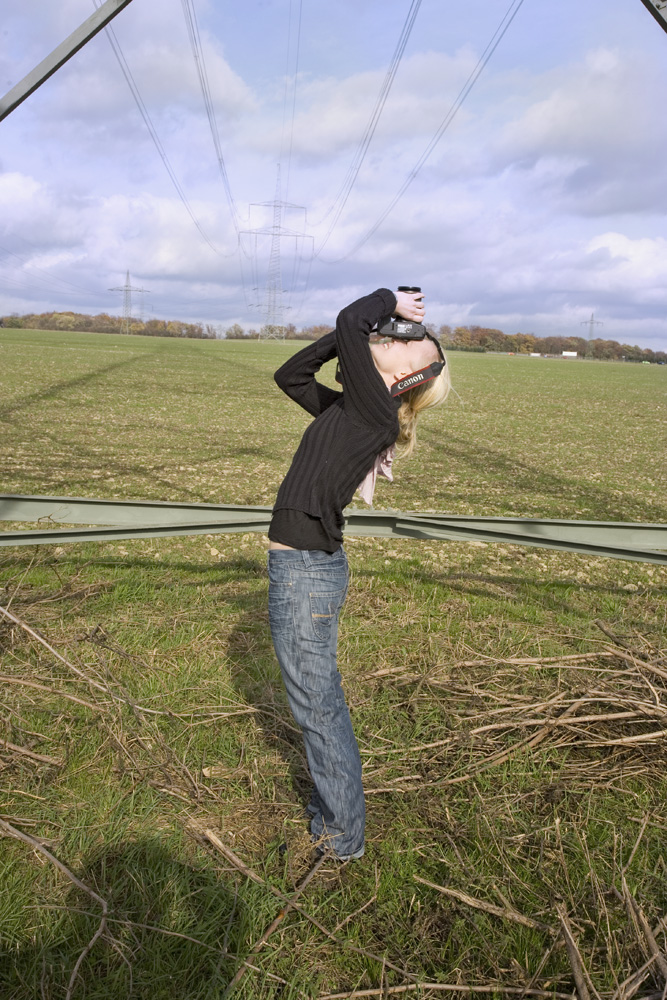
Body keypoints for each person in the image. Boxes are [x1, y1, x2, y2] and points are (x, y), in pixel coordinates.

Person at [267, 287, 450, 860]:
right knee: (316, 704)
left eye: (409, 341)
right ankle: (336, 822)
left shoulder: (375, 411)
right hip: (302, 567)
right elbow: (290, 376)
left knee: (317, 708)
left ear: (410, 374)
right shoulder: (351, 411)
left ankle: (341, 837)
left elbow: (351, 318)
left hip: (303, 571)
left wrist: (391, 302)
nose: (397, 337)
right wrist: (361, 343)